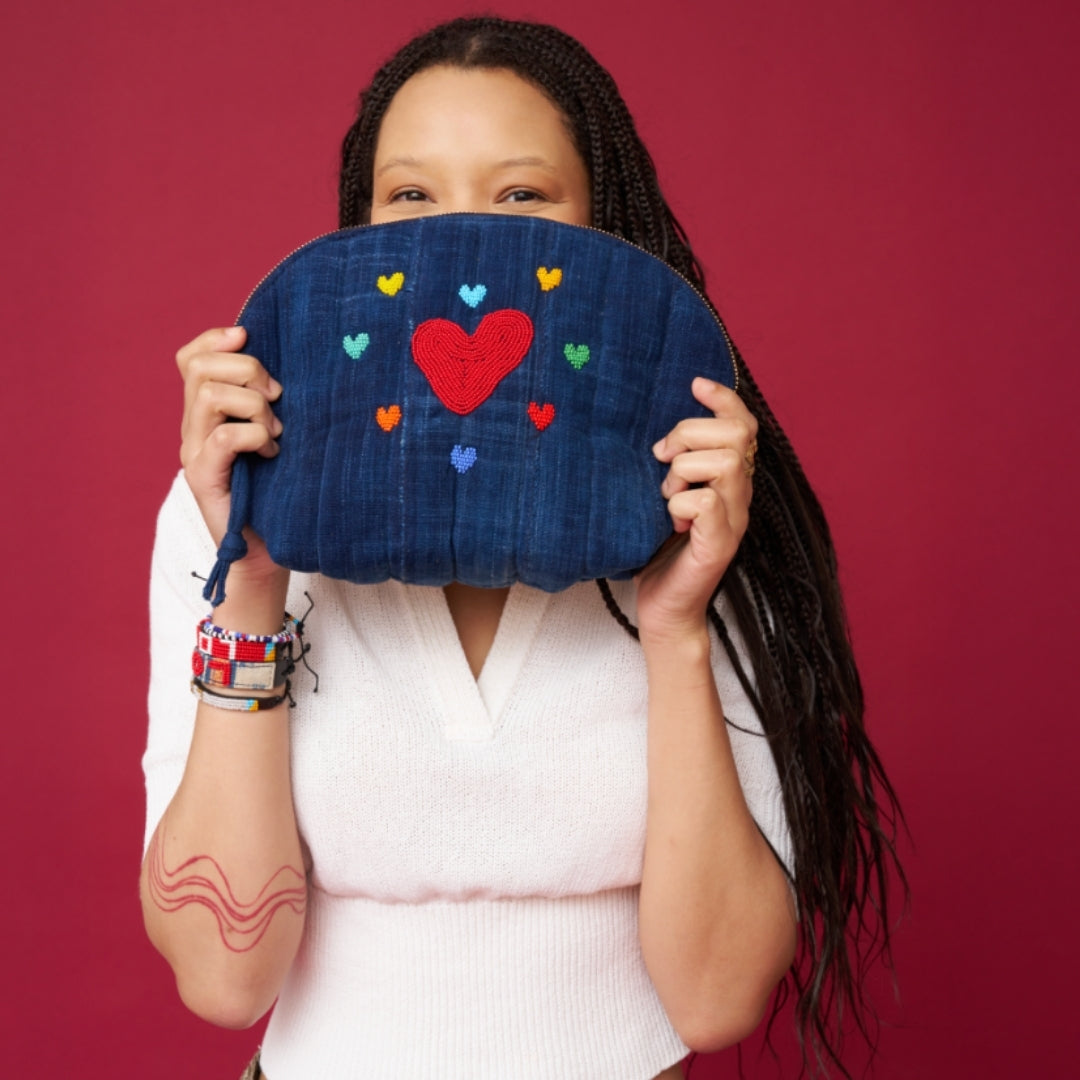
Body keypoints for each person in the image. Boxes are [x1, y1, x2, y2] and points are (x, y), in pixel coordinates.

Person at [140, 16, 904, 1080]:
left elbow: (719, 995)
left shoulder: (692, 503)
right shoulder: (228, 516)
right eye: (411, 197)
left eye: (521, 198)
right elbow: (224, 979)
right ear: (359, 235)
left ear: (603, 229)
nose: (466, 252)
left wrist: (677, 621)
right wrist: (252, 584)